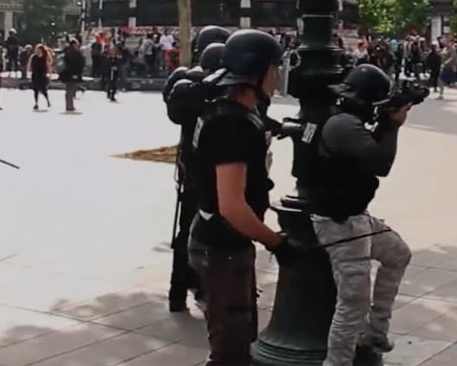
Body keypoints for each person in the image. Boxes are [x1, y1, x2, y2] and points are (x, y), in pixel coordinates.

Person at [186, 29, 299, 363]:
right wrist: (277, 243)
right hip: (222, 247)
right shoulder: (231, 125)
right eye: (274, 68)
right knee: (231, 348)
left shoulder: (231, 113)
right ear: (254, 72)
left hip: (223, 242)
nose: (278, 76)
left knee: (237, 338)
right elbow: (232, 206)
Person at [310, 64, 413, 366]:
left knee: (398, 253)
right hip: (340, 224)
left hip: (356, 218)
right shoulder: (343, 126)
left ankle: (375, 333)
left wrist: (387, 120)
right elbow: (380, 163)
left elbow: (369, 153)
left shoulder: (344, 120)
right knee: (352, 303)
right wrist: (392, 124)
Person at [164, 25, 229, 314]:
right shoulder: (193, 85)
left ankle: (180, 290)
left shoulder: (188, 83)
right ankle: (196, 286)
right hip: (209, 169)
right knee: (205, 230)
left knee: (187, 230)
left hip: (193, 167)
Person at [59, 38, 86, 113]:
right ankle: (69, 105)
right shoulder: (75, 53)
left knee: (69, 89)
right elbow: (80, 63)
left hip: (68, 73)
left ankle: (69, 105)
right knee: (71, 89)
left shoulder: (67, 53)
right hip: (73, 73)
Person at [29, 44, 53, 110]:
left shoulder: (45, 57)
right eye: (36, 49)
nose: (37, 51)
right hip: (35, 75)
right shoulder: (33, 57)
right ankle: (36, 103)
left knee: (43, 90)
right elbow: (29, 65)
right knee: (35, 90)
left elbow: (48, 66)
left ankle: (47, 100)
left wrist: (50, 74)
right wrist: (28, 73)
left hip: (42, 75)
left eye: (39, 49)